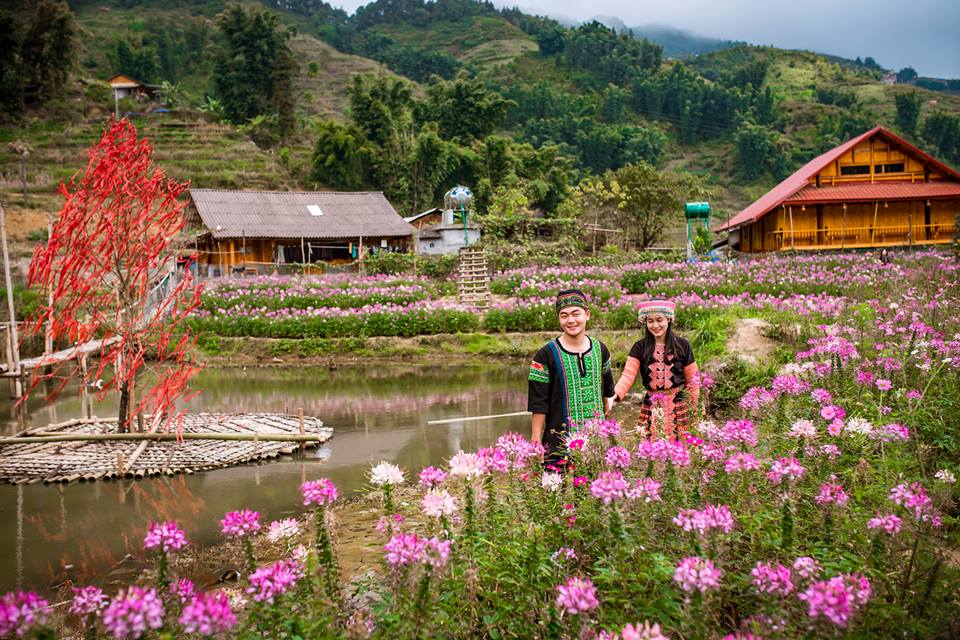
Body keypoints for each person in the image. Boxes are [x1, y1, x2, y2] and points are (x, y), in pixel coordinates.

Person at [528, 289, 616, 466]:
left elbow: (607, 391)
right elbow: (539, 402)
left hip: (595, 439)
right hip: (557, 440)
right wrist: (536, 437)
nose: (571, 320)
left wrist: (608, 423)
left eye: (576, 314)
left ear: (587, 314)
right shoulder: (545, 355)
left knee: (593, 488)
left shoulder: (601, 350)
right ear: (559, 319)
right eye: (564, 315)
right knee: (554, 490)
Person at [613, 299, 699, 440]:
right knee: (652, 450)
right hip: (652, 405)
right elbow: (628, 375)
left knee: (680, 448)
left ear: (669, 319)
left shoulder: (683, 345)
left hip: (679, 405)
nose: (655, 325)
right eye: (650, 321)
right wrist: (615, 395)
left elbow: (693, 380)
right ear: (645, 322)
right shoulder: (639, 347)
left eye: (659, 320)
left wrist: (693, 408)